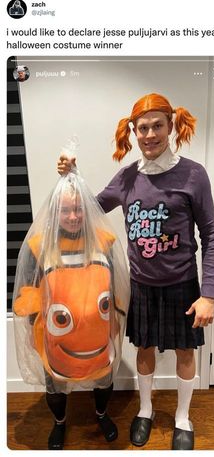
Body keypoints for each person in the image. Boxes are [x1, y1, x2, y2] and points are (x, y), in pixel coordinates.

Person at [57, 93, 214, 450]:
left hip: (183, 284)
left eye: (157, 126)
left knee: (185, 352)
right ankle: (145, 410)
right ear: (133, 132)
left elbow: (210, 234)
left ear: (171, 125)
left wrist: (208, 294)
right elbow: (93, 208)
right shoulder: (128, 176)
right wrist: (73, 176)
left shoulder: (194, 174)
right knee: (143, 349)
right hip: (142, 285)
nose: (150, 135)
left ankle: (182, 417)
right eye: (142, 128)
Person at [13, 172, 129, 450]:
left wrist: (115, 317)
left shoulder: (103, 241)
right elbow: (28, 288)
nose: (74, 216)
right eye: (66, 210)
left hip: (97, 335)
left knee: (103, 378)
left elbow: (116, 284)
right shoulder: (39, 246)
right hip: (57, 338)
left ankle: (101, 414)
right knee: (55, 384)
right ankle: (59, 422)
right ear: (56, 211)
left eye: (78, 208)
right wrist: (32, 323)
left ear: (87, 209)